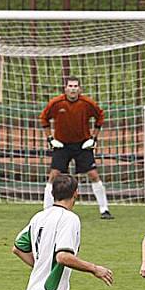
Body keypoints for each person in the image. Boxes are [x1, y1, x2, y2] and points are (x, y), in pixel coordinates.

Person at [39, 76, 113, 219]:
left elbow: (100, 117)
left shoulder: (87, 103)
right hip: (61, 144)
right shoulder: (56, 103)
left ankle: (104, 209)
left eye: (75, 86)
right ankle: (46, 210)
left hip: (82, 144)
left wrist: (93, 138)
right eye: (70, 86)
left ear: (80, 89)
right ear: (65, 88)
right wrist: (50, 139)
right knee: (53, 175)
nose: (73, 89)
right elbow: (43, 118)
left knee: (93, 175)